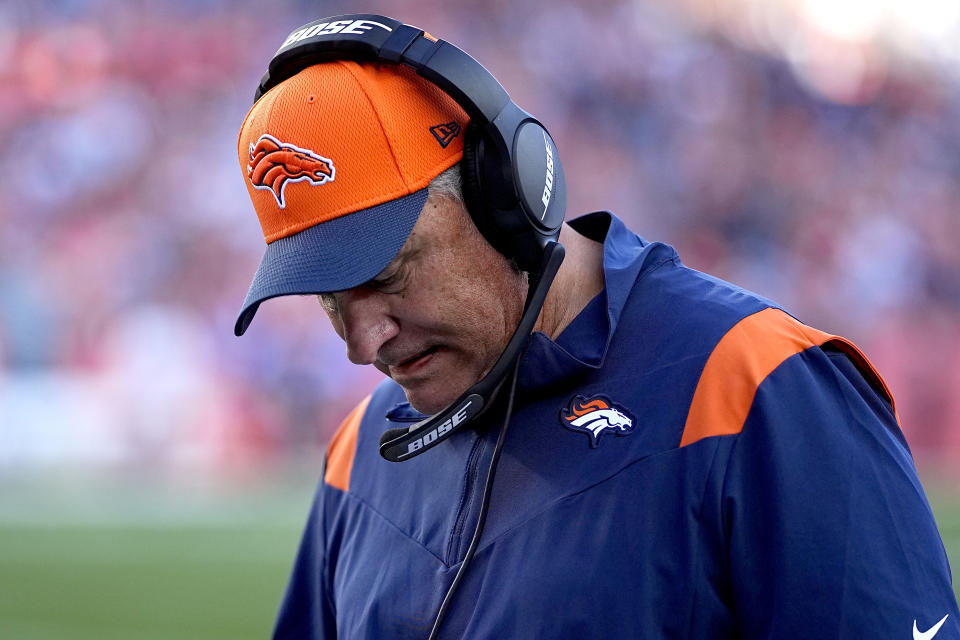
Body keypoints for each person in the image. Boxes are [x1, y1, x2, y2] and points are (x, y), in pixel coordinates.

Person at [233, 13, 960, 640]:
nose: (363, 344)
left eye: (387, 278)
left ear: (502, 196)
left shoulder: (755, 387)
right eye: (330, 299)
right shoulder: (359, 451)